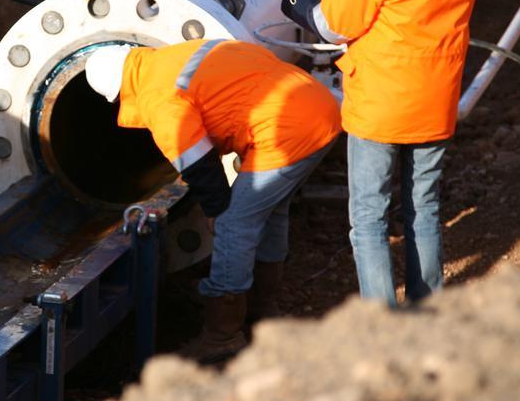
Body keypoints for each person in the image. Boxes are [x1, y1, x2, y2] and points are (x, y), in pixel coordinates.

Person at [269, 0, 476, 305]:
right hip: (436, 99)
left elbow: (332, 24)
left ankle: (380, 327)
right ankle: (428, 313)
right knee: (423, 209)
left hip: (381, 106)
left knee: (369, 218)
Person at [84, 39, 340, 361]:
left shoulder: (157, 98)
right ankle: (262, 310)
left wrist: (216, 210)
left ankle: (222, 335)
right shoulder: (177, 55)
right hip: (318, 107)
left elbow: (197, 163)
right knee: (271, 213)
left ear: (119, 91)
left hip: (286, 131)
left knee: (234, 226)